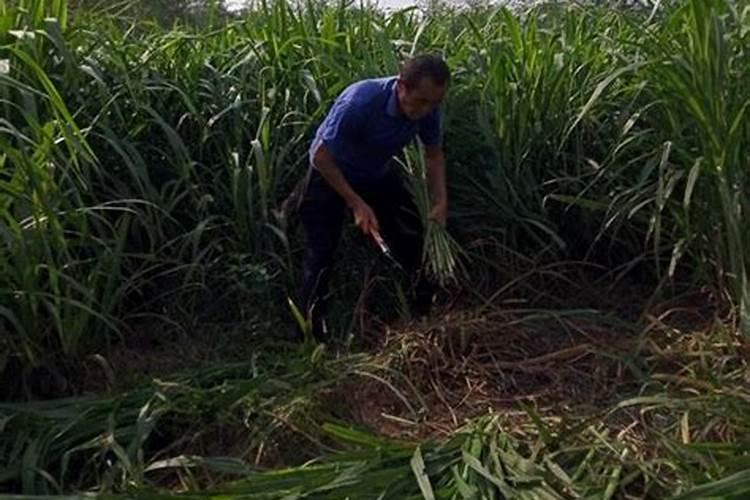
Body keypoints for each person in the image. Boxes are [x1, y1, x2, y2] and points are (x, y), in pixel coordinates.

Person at [298, 54, 450, 339]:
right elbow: (320, 156)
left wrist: (440, 200)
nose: (426, 110)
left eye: (434, 103)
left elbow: (433, 154)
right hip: (328, 175)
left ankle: (424, 314)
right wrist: (355, 202)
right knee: (321, 253)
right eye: (421, 101)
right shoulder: (360, 102)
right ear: (402, 86)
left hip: (375, 173)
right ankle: (312, 334)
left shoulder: (428, 110)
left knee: (411, 237)